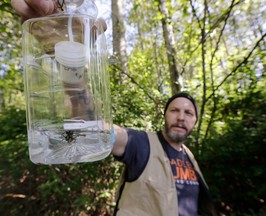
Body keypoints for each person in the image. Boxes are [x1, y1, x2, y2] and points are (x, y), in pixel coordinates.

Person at [11, 1, 218, 215]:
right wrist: (70, 64)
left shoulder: (190, 158)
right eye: (175, 110)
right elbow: (92, 127)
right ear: (164, 114)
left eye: (188, 112)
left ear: (195, 120)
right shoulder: (142, 144)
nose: (181, 117)